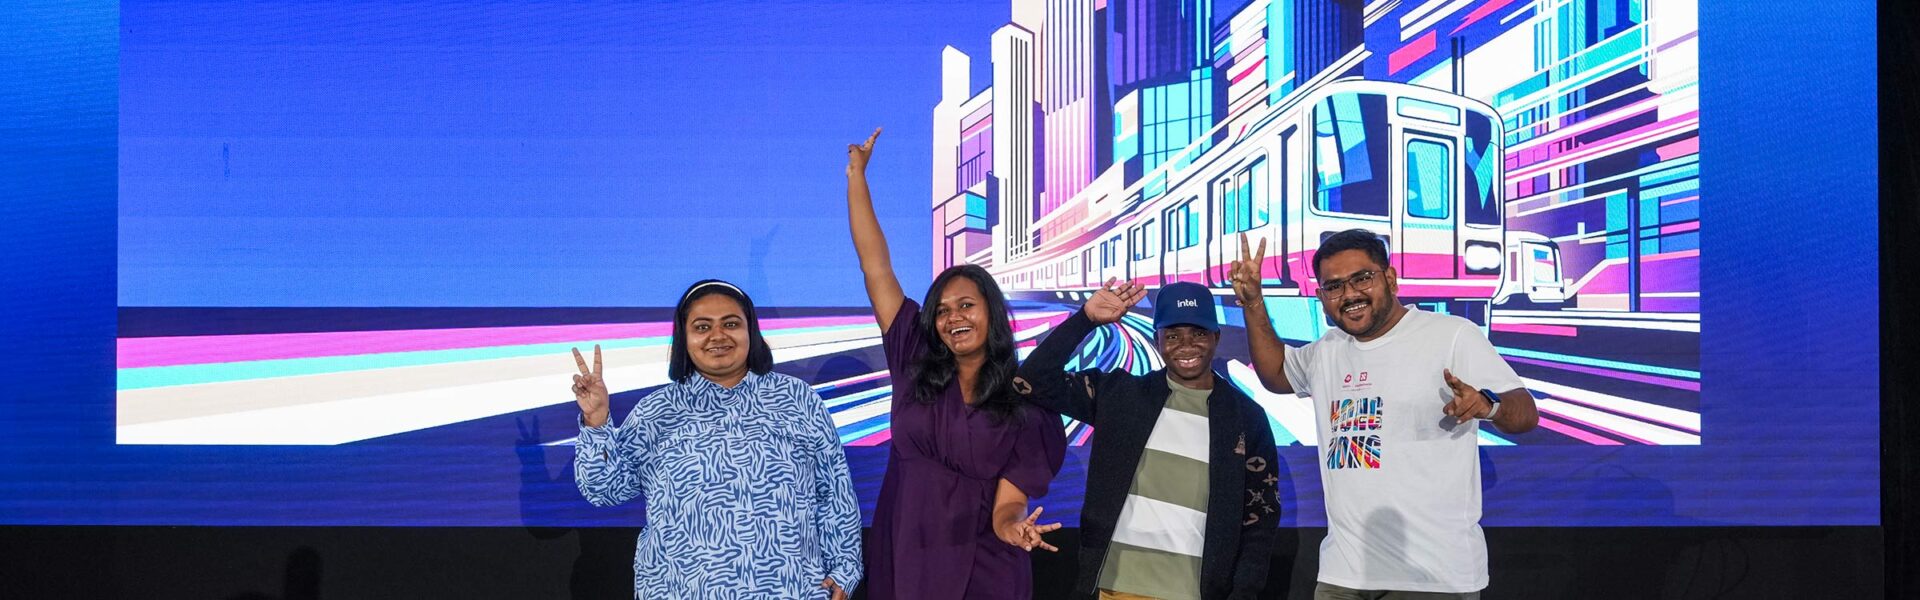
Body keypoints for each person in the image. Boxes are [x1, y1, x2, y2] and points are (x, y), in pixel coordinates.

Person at [1235, 229, 1540, 599]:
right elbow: (1276, 373)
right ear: (1321, 297)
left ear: (1390, 279)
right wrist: (1253, 303)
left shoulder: (1452, 335)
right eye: (1334, 286)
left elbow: (1525, 413)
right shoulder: (1328, 349)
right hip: (1343, 577)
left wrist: (1489, 406)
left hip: (1433, 578)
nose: (1350, 294)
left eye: (1362, 278)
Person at [845, 128, 1068, 600]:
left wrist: (1013, 527)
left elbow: (1009, 503)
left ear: (991, 312)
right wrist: (856, 177)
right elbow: (875, 266)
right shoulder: (911, 357)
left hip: (983, 564)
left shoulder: (1025, 402)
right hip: (904, 550)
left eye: (966, 305)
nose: (954, 318)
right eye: (943, 310)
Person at [571, 279, 863, 599]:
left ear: (751, 331)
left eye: (731, 323)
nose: (718, 335)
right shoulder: (657, 411)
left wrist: (845, 569)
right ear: (684, 338)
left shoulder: (797, 399)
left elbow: (834, 492)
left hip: (789, 590)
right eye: (702, 327)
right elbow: (603, 489)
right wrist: (596, 421)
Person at [1015, 278, 1282, 600]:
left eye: (1198, 334)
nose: (1186, 345)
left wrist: (1243, 593)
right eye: (1173, 335)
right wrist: (1084, 319)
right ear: (1157, 341)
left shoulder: (1245, 417)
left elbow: (1260, 515)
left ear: (1216, 337)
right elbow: (1030, 381)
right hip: (1117, 590)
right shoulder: (1120, 395)